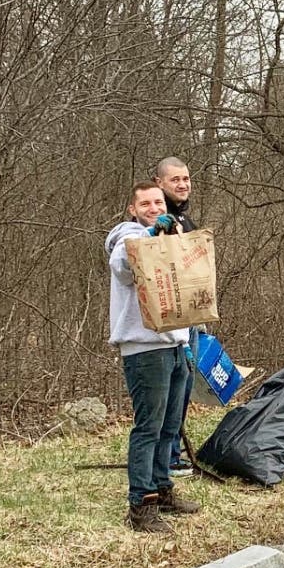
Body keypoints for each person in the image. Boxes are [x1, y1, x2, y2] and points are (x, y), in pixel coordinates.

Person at [106, 182, 202, 533]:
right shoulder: (126, 237)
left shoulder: (171, 236)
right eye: (145, 203)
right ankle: (140, 504)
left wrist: (187, 338)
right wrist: (151, 231)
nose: (152, 206)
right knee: (148, 427)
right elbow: (122, 265)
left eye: (157, 201)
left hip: (175, 344)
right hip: (145, 348)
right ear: (133, 209)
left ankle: (162, 488)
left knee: (170, 425)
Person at [153, 156, 198, 477]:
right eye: (175, 180)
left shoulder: (188, 222)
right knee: (168, 390)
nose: (182, 185)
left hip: (191, 319)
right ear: (160, 183)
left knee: (184, 387)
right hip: (165, 323)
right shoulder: (154, 223)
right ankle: (165, 457)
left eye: (185, 179)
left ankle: (172, 450)